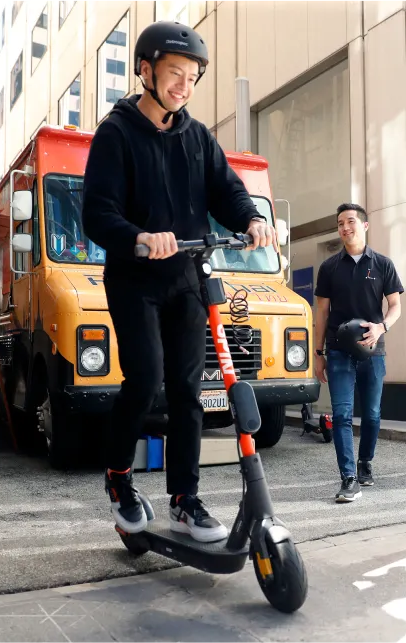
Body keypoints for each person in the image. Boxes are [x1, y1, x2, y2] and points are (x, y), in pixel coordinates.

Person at [81, 21, 277, 543]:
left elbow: (228, 192)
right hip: (134, 280)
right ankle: (119, 477)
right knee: (145, 381)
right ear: (145, 70)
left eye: (191, 77)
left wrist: (251, 220)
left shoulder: (197, 137)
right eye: (174, 74)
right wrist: (142, 237)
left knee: (191, 391)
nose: (183, 86)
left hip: (187, 277)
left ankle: (184, 499)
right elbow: (97, 217)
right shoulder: (116, 133)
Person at [314, 203, 403, 502]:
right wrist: (318, 353)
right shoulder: (329, 268)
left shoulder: (382, 264)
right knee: (341, 414)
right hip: (338, 351)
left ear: (364, 226)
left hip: (373, 351)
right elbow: (322, 312)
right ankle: (348, 478)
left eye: (350, 221)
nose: (344, 227)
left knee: (373, 414)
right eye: (340, 223)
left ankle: (365, 462)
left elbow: (395, 306)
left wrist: (381, 328)